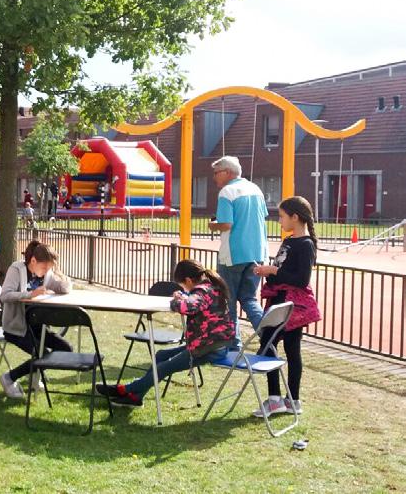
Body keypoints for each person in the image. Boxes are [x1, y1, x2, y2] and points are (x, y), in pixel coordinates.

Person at [97, 259, 234, 407]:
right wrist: (184, 296)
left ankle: (126, 389)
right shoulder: (210, 286)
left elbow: (186, 306)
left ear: (188, 280)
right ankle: (135, 397)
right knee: (161, 356)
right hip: (210, 343)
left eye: (183, 285)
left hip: (210, 348)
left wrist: (178, 297)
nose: (184, 289)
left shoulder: (202, 291)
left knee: (164, 368)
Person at [251, 196, 321, 418]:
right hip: (278, 301)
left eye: (282, 216)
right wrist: (267, 271)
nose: (279, 220)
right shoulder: (289, 241)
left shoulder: (306, 245)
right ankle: (287, 400)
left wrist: (273, 271)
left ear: (295, 217)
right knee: (276, 346)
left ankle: (282, 400)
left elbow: (300, 279)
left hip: (291, 306)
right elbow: (282, 270)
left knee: (273, 345)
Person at [0, 241, 72, 398]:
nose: (46, 272)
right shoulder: (16, 269)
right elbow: (5, 295)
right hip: (16, 327)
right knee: (43, 354)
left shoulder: (46, 274)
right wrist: (29, 294)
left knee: (66, 349)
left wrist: (58, 273)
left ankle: (34, 374)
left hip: (37, 327)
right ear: (33, 261)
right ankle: (9, 378)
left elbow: (65, 288)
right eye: (44, 267)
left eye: (49, 268)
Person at [209, 156, 267, 348]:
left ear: (227, 172)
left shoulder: (227, 192)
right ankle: (267, 336)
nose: (215, 177)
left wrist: (212, 225)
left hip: (233, 254)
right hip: (257, 253)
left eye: (216, 173)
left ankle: (233, 344)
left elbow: (226, 224)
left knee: (229, 300)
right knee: (249, 298)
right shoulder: (256, 189)